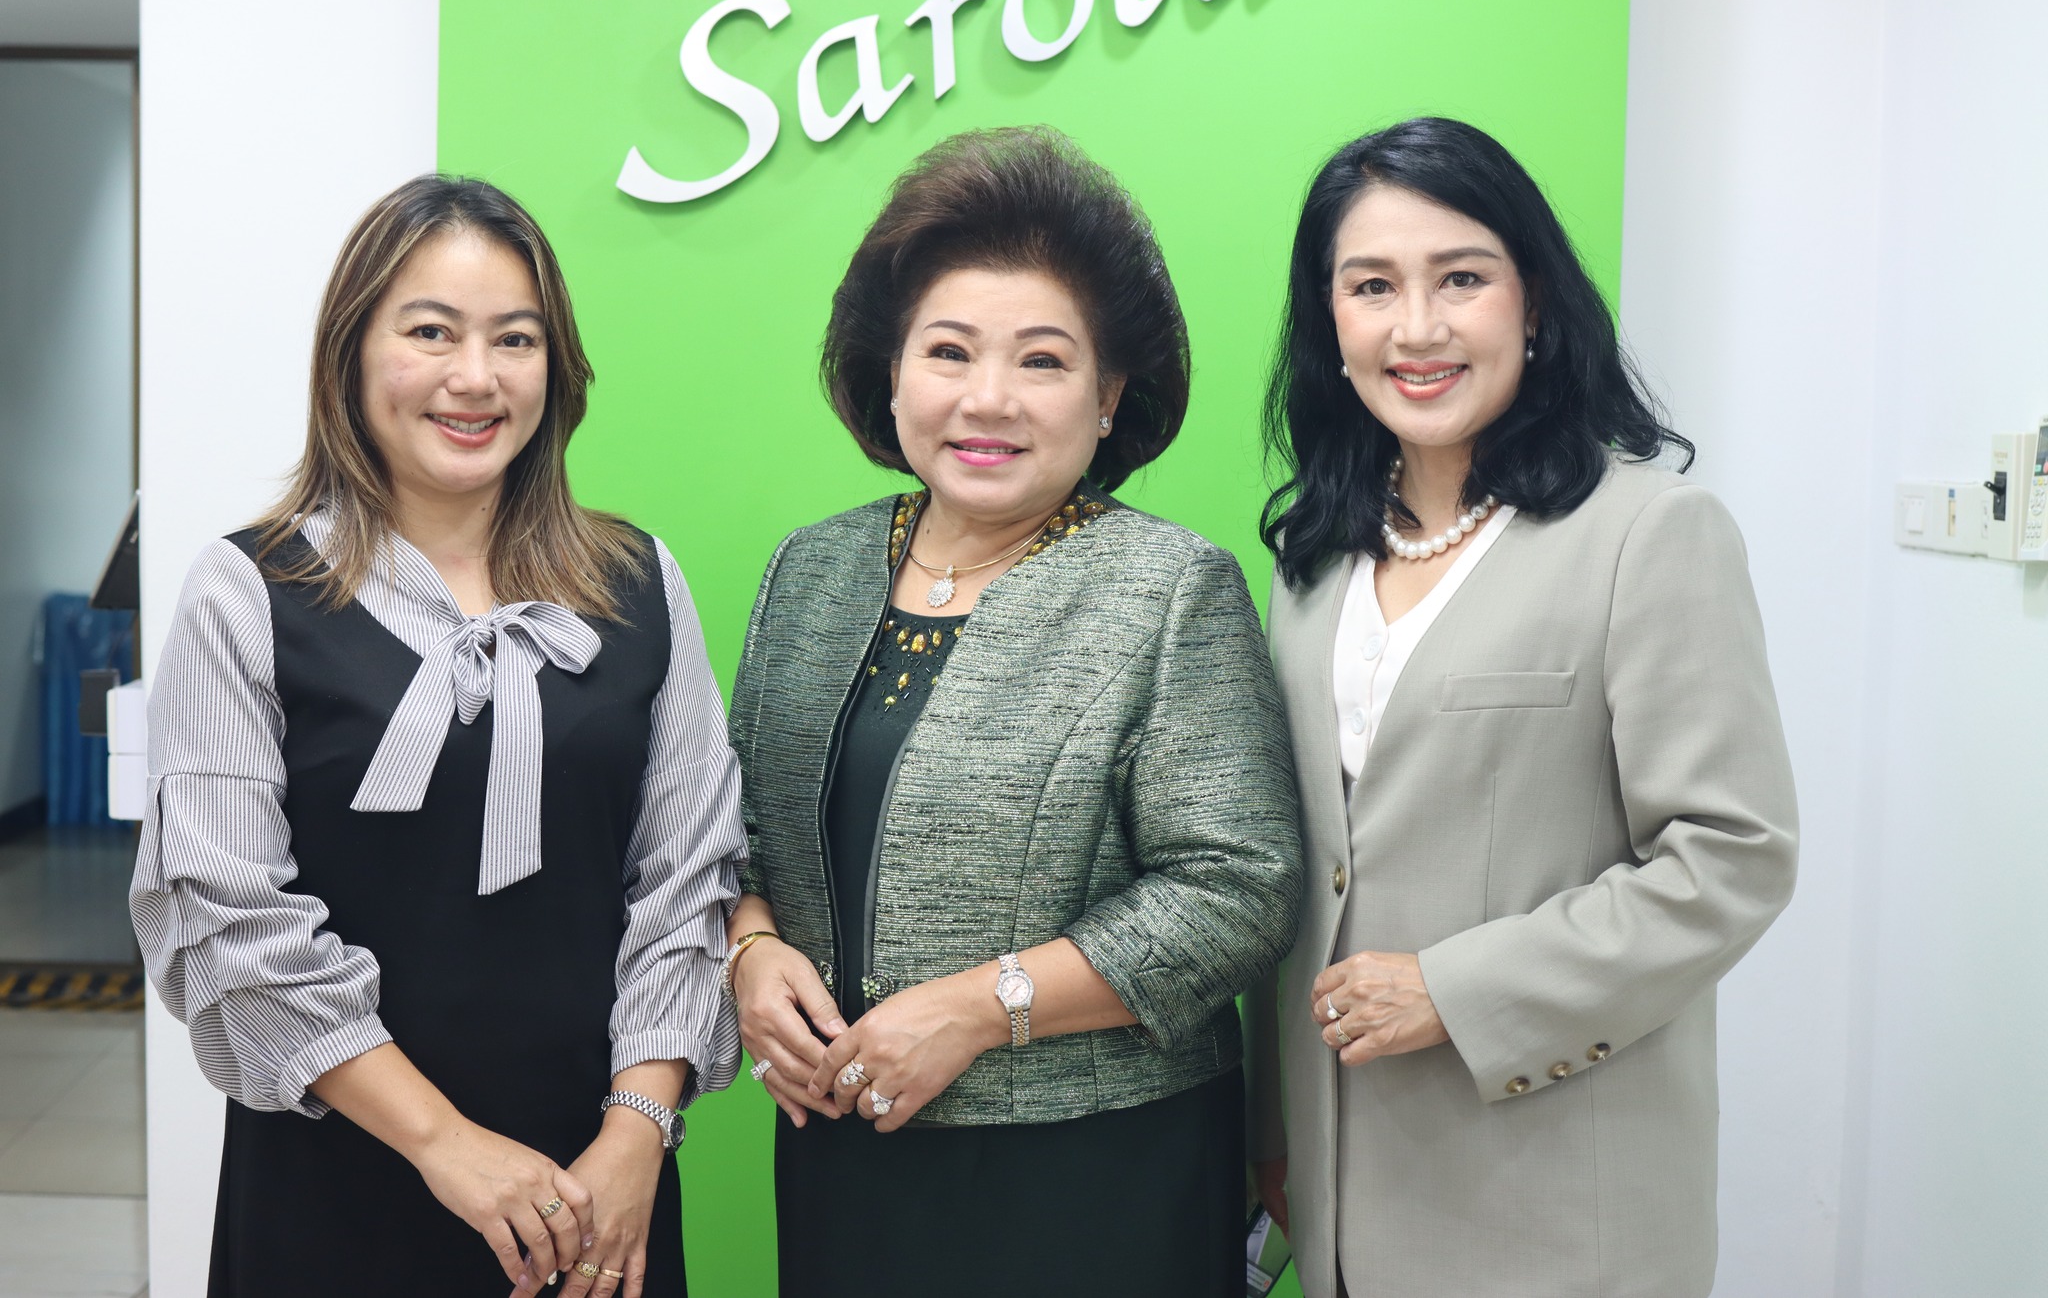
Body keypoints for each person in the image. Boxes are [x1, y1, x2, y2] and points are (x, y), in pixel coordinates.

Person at [132, 175, 747, 1298]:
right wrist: (445, 1144)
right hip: (338, 1175)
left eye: (515, 339)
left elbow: (688, 883)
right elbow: (229, 917)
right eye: (430, 332)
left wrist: (635, 1134)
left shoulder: (638, 582)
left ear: (555, 367)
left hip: (595, 1196)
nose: (476, 376)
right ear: (352, 354)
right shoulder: (248, 591)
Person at [721, 126, 1303, 1298]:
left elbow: (1238, 888)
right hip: (845, 1146)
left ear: (1107, 396)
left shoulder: (1168, 586)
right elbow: (731, 831)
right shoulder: (811, 571)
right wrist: (749, 950)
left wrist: (981, 1010)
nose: (985, 399)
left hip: (1092, 1171)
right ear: (891, 376)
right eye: (947, 352)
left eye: (1041, 360)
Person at [1245, 117, 1799, 1298]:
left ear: (1532, 301)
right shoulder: (1309, 562)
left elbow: (1730, 857)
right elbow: (1295, 874)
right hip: (1338, 1197)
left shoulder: (1648, 535)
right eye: (1370, 286)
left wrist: (1453, 990)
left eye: (1461, 279)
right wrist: (1272, 1132)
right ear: (1328, 319)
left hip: (1552, 1200)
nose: (1416, 328)